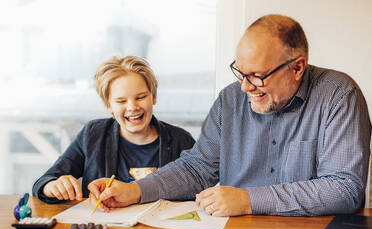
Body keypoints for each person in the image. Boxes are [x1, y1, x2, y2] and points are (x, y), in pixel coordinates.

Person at [88, 14, 371, 216]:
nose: (245, 87)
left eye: (257, 76)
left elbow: (344, 190)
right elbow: (196, 169)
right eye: (240, 72)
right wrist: (134, 191)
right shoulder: (230, 100)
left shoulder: (338, 95)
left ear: (297, 68)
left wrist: (249, 200)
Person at [32, 55, 195, 204]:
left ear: (153, 97)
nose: (132, 107)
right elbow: (46, 180)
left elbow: (198, 187)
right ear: (109, 106)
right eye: (121, 101)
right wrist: (52, 186)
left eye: (141, 97)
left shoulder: (181, 140)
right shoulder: (93, 134)